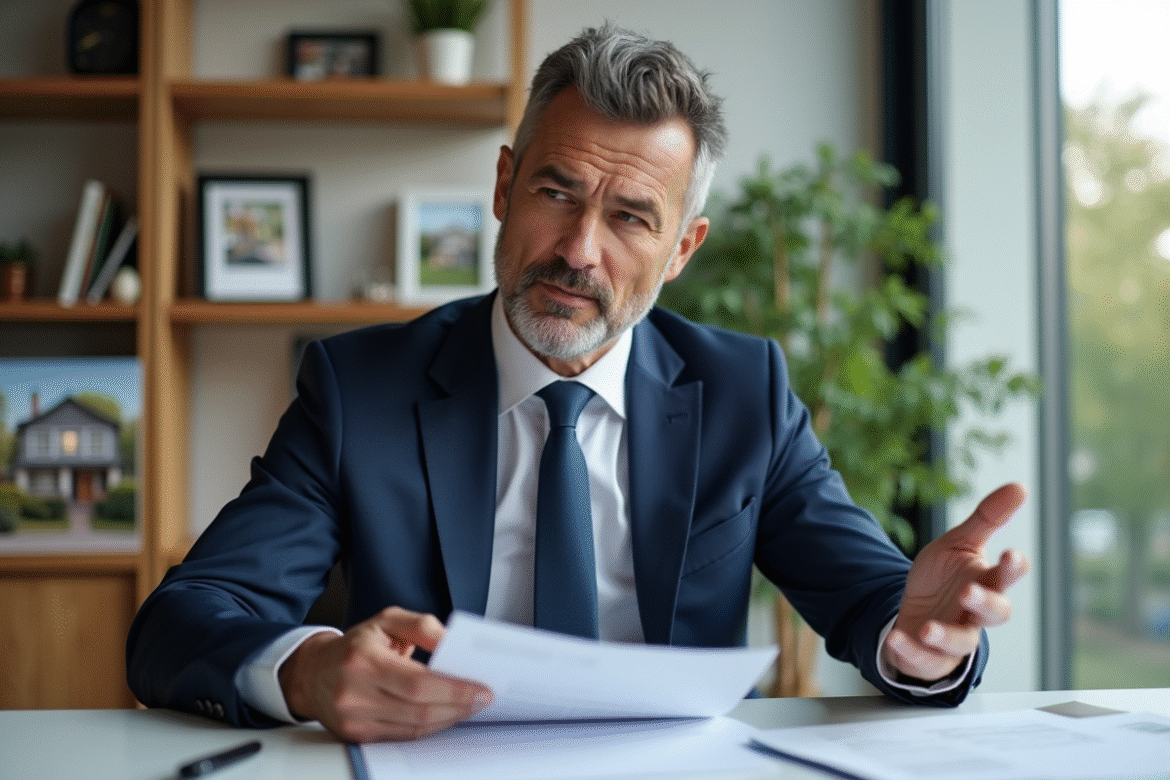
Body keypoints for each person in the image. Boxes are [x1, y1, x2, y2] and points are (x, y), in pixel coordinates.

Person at [126, 24, 1029, 745]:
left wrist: (920, 643)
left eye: (631, 216)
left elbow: (878, 603)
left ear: (681, 251)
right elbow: (182, 621)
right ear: (505, 186)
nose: (578, 251)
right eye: (556, 193)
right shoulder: (359, 386)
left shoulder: (745, 390)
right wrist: (309, 670)